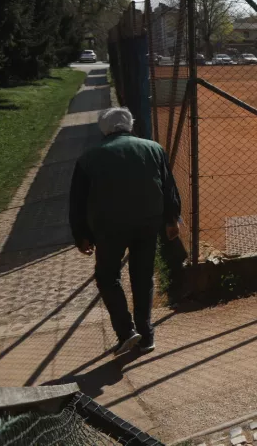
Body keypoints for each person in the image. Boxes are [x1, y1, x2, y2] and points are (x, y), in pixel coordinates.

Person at [70, 108, 181, 358]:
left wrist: (81, 235)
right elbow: (168, 187)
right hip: (148, 223)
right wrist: (172, 219)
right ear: (130, 125)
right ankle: (146, 335)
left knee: (107, 276)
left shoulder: (88, 157)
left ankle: (126, 331)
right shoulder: (154, 148)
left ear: (104, 129)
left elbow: (78, 201)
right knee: (142, 276)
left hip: (109, 227)